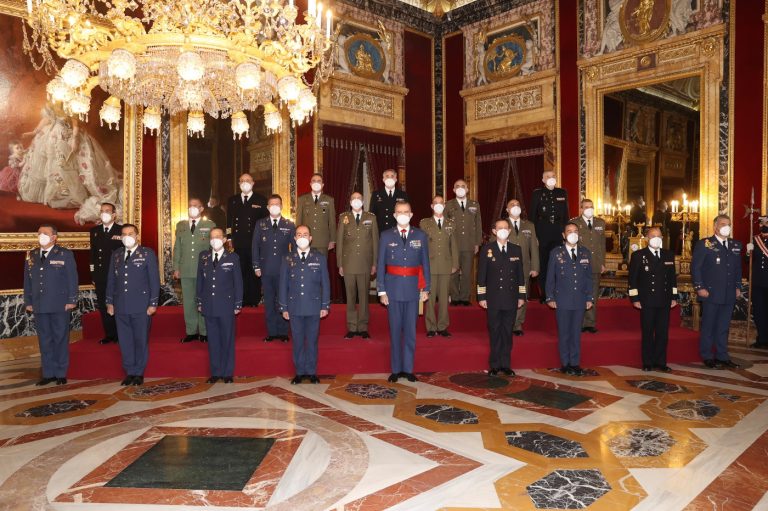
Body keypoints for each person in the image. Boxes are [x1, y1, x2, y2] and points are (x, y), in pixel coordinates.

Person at [377, 201, 430, 382]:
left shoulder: (420, 235)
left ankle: (408, 369)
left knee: (410, 332)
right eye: (399, 212)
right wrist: (381, 291)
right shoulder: (386, 235)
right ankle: (396, 369)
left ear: (411, 214)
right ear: (394, 215)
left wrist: (426, 288)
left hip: (413, 290)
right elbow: (381, 264)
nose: (402, 214)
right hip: (392, 290)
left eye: (406, 211)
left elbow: (425, 263)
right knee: (394, 331)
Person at [106, 224, 160, 386]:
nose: (127, 237)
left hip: (141, 305)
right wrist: (109, 302)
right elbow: (111, 280)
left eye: (130, 233)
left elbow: (154, 280)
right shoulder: (116, 254)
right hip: (121, 304)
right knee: (125, 340)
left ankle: (139, 372)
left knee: (140, 339)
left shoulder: (147, 253)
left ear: (137, 236)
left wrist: (153, 303)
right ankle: (129, 371)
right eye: (124, 234)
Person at [24, 224, 78, 385]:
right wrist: (28, 301)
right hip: (39, 304)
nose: (41, 235)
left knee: (60, 338)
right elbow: (27, 280)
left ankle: (61, 373)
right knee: (44, 340)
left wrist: (72, 300)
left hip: (59, 304)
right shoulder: (32, 255)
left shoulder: (64, 254)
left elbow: (72, 278)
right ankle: (48, 373)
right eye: (39, 233)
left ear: (54, 237)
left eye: (45, 233)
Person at [279, 226, 331, 384]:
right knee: (298, 341)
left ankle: (312, 372)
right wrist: (284, 307)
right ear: (295, 238)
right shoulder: (287, 258)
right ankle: (300, 372)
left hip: (314, 306)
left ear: (310, 238)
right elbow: (283, 284)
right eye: (299, 234)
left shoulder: (319, 258)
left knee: (312, 341)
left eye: (305, 234)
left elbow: (325, 283)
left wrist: (325, 305)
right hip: (294, 307)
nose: (302, 237)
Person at [692, 215, 743, 369]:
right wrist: (699, 287)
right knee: (708, 326)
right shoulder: (705, 244)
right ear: (715, 226)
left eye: (728, 224)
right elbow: (696, 268)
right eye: (722, 224)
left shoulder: (735, 245)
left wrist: (738, 286)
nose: (726, 227)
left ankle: (722, 356)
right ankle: (707, 356)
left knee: (723, 327)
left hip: (729, 293)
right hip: (710, 293)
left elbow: (737, 268)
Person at [477, 219, 526, 376]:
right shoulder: (487, 249)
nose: (503, 230)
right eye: (500, 228)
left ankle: (506, 364)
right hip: (493, 298)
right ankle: (494, 365)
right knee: (495, 331)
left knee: (507, 332)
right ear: (494, 231)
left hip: (511, 298)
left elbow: (520, 275)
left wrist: (521, 296)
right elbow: (481, 275)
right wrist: (481, 296)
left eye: (506, 228)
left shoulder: (516, 249)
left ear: (510, 231)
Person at [545, 222, 594, 376]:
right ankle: (565, 363)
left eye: (575, 231)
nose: (573, 234)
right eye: (569, 231)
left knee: (576, 333)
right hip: (562, 299)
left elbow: (589, 278)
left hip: (580, 299)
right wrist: (550, 297)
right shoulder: (556, 253)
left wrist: (589, 297)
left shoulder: (585, 253)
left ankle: (575, 363)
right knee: (564, 333)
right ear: (563, 235)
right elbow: (550, 277)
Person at [628, 227, 678, 371]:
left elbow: (672, 279)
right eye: (653, 236)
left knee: (663, 333)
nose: (656, 238)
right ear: (646, 239)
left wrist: (674, 296)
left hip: (664, 299)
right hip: (647, 300)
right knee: (648, 332)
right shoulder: (638, 255)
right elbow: (632, 279)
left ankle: (661, 362)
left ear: (662, 238)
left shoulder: (668, 254)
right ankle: (647, 362)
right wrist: (635, 298)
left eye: (659, 236)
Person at [196, 228, 242, 384]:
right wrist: (200, 301)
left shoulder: (233, 257)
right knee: (213, 340)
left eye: (217, 237)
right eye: (211, 237)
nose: (214, 240)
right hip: (209, 304)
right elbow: (200, 281)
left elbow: (238, 282)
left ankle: (227, 373)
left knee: (227, 339)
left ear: (224, 239)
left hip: (226, 305)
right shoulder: (204, 257)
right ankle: (215, 372)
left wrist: (238, 303)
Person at [253, 194, 295, 342]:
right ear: (268, 207)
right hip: (266, 270)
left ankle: (283, 332)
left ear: (281, 206)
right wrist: (256, 266)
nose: (274, 206)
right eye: (272, 204)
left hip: (284, 270)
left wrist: (293, 267)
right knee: (269, 302)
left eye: (277, 204)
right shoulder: (260, 224)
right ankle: (272, 332)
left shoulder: (289, 224)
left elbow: (294, 249)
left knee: (282, 301)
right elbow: (255, 246)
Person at [336, 192, 378, 339]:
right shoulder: (344, 217)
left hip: (365, 263)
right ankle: (352, 327)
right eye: (353, 198)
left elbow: (375, 242)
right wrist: (340, 264)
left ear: (363, 201)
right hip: (348, 264)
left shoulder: (371, 217)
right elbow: (340, 242)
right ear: (350, 202)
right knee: (350, 296)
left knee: (364, 296)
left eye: (359, 198)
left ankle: (363, 327)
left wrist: (374, 263)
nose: (356, 200)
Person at [173, 198, 215, 343]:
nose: (192, 208)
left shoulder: (209, 225)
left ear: (202, 208)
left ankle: (204, 332)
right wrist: (176, 267)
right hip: (185, 269)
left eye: (196, 206)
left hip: (203, 270)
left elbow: (213, 248)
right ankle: (191, 331)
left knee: (203, 300)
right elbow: (177, 247)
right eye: (190, 205)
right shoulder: (181, 225)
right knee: (189, 302)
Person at [420, 195, 459, 337]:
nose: (438, 205)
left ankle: (442, 326)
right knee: (429, 298)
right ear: (431, 206)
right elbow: (422, 245)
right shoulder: (424, 223)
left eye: (441, 203)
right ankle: (431, 327)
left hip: (446, 264)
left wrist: (455, 263)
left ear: (444, 205)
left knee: (444, 298)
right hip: (429, 265)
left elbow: (454, 245)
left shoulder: (451, 224)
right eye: (435, 203)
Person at [227, 173, 267, 306]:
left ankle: (254, 299)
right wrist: (229, 238)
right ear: (239, 183)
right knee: (240, 271)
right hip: (238, 242)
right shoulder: (233, 200)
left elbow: (265, 222)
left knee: (254, 271)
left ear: (253, 183)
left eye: (248, 180)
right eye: (242, 180)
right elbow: (229, 222)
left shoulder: (261, 200)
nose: (245, 182)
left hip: (255, 242)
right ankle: (242, 299)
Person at [531, 170, 569, 301]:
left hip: (558, 231)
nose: (551, 178)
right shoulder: (537, 193)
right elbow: (532, 216)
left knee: (558, 262)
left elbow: (566, 215)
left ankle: (557, 292)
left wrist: (566, 233)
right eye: (548, 176)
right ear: (543, 180)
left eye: (553, 176)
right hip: (543, 231)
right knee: (544, 263)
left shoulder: (562, 193)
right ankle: (545, 294)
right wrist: (534, 236)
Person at [89, 202, 123, 345]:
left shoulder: (121, 230)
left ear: (114, 214)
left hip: (117, 275)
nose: (104, 213)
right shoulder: (95, 231)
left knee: (118, 304)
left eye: (107, 211)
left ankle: (121, 334)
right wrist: (93, 274)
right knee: (104, 305)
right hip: (101, 275)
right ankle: (110, 334)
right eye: (102, 211)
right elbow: (93, 254)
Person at [445, 179, 482, 307]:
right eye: (457, 186)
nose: (460, 188)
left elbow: (478, 224)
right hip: (453, 245)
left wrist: (477, 243)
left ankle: (465, 297)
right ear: (453, 190)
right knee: (453, 272)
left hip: (469, 244)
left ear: (467, 189)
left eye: (463, 186)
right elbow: (444, 225)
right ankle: (455, 297)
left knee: (466, 272)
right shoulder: (448, 205)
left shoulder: (475, 204)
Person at [571, 199, 606, 333]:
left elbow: (602, 245)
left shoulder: (600, 223)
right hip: (579, 265)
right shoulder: (574, 223)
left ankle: (589, 323)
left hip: (595, 264)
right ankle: (578, 322)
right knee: (579, 294)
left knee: (593, 294)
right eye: (586, 207)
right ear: (581, 209)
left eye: (591, 206)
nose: (589, 209)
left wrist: (603, 263)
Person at [506, 199, 540, 335]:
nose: (515, 207)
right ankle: (507, 323)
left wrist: (535, 267)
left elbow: (534, 248)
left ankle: (517, 325)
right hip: (506, 268)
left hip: (524, 267)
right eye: (512, 205)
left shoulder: (529, 225)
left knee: (522, 296)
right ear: (507, 209)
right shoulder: (502, 224)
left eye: (517, 205)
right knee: (507, 296)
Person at [296, 173, 336, 256]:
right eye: (314, 181)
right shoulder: (302, 199)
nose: (316, 183)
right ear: (310, 184)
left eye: (319, 181)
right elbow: (299, 220)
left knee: (322, 263)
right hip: (305, 240)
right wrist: (298, 237)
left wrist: (332, 240)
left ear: (322, 184)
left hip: (323, 242)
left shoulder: (329, 200)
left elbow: (332, 221)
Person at [747, 216, 768, 349]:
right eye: (762, 223)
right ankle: (762, 338)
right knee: (759, 311)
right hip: (758, 282)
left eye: (766, 222)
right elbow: (747, 261)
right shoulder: (755, 239)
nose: (763, 225)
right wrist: (748, 252)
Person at [370, 168, 409, 233]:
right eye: (387, 176)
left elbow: (407, 213)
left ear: (396, 179)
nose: (390, 178)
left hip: (398, 230)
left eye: (392, 176)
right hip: (381, 230)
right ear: (383, 179)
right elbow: (372, 214)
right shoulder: (376, 194)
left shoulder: (402, 195)